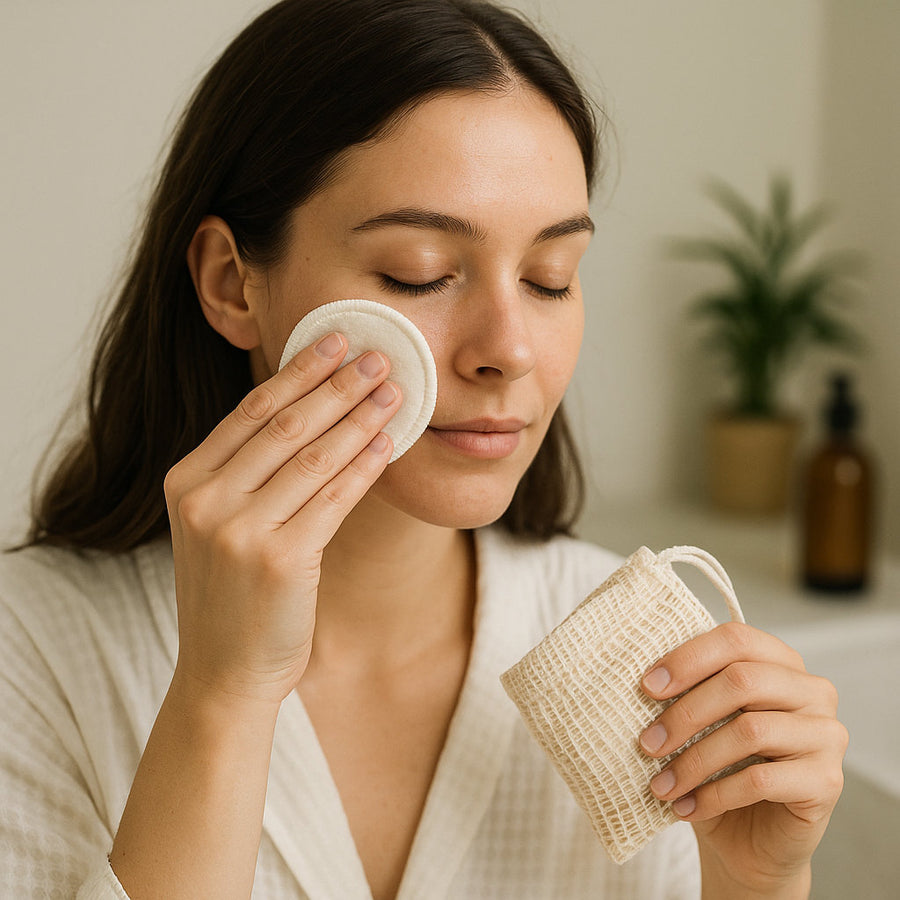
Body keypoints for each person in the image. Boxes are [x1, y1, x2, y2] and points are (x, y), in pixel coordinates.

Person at [0, 1, 847, 898]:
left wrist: (756, 883)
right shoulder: (34, 651)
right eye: (420, 272)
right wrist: (223, 696)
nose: (510, 349)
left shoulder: (639, 655)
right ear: (231, 281)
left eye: (550, 279)